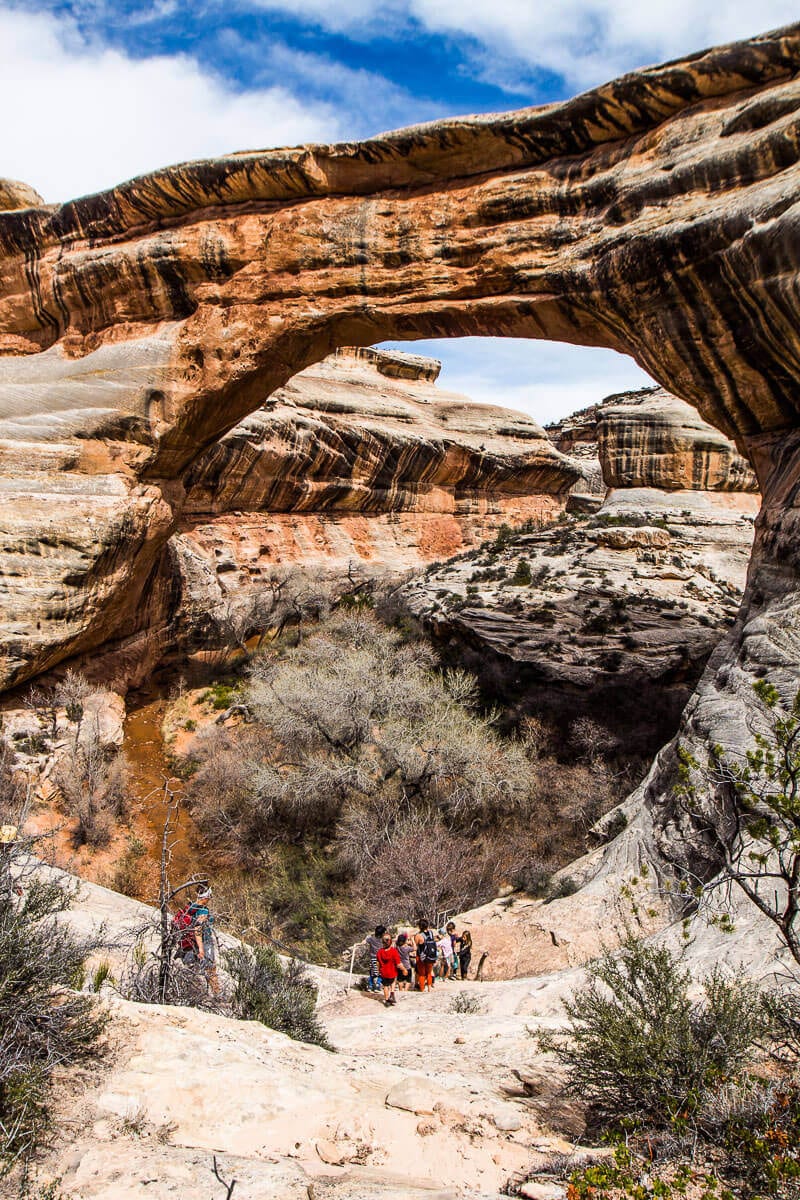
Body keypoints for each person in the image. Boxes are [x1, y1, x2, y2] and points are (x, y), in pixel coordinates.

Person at [187, 884, 220, 995]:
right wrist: (201, 948)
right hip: (204, 941)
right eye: (210, 895)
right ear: (206, 896)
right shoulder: (203, 911)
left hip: (191, 942)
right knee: (211, 968)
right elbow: (198, 928)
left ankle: (193, 992)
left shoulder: (192, 907)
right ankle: (217, 994)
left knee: (194, 968)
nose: (211, 898)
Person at [376, 931, 402, 1007]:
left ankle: (387, 1000)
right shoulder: (394, 951)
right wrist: (403, 969)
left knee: (385, 986)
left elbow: (378, 963)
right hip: (392, 971)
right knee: (393, 980)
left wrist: (379, 970)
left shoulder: (379, 952)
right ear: (390, 941)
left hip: (384, 972)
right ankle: (392, 993)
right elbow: (398, 963)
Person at [414, 920, 437, 992]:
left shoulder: (419, 935)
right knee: (429, 973)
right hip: (430, 955)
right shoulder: (431, 933)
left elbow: (416, 945)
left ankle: (422, 988)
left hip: (421, 956)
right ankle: (429, 988)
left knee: (422, 974)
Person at [364, 924, 386, 993]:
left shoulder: (371, 939)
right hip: (381, 959)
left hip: (372, 958)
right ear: (382, 933)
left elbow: (364, 942)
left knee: (372, 972)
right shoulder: (383, 940)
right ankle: (377, 985)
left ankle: (370, 986)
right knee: (381, 973)